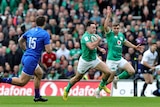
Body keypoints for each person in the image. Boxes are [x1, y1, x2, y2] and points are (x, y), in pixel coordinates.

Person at [0, 16, 52, 102]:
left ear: (36, 23)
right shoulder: (45, 34)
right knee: (22, 82)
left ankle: (37, 96)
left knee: (39, 74)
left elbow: (20, 40)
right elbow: (49, 51)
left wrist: (25, 49)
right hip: (31, 60)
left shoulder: (30, 31)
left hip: (26, 57)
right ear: (44, 23)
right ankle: (2, 80)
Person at [95, 6, 142, 97]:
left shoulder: (121, 35)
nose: (116, 30)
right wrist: (108, 16)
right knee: (108, 78)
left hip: (119, 59)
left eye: (117, 28)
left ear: (119, 28)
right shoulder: (109, 34)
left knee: (131, 71)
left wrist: (134, 47)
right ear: (112, 28)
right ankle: (98, 90)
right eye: (115, 28)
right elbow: (105, 26)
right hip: (111, 60)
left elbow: (125, 42)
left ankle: (117, 78)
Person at [62, 21, 111, 101]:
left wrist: (99, 48)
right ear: (88, 28)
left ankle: (101, 86)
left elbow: (94, 43)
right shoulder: (85, 37)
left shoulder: (93, 35)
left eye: (95, 27)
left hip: (94, 59)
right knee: (77, 78)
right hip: (85, 61)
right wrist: (98, 41)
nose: (95, 29)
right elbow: (91, 46)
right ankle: (66, 89)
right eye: (93, 28)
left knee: (108, 72)